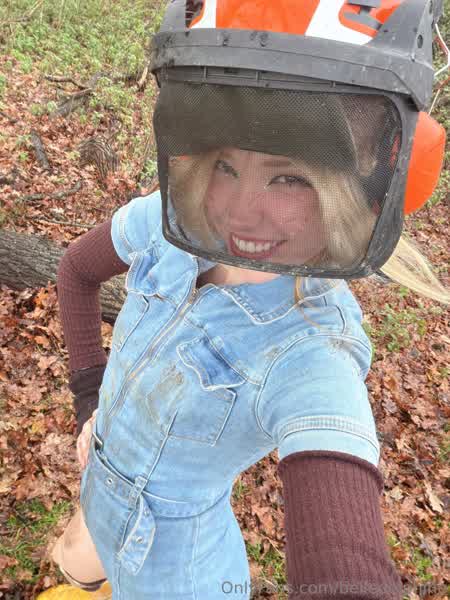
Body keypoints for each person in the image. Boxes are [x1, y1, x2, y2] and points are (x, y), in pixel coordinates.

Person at [45, 1, 448, 599]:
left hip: (178, 578)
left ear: (350, 190)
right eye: (226, 166)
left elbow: (344, 550)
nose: (240, 212)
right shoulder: (171, 222)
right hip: (98, 509)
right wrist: (89, 401)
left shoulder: (314, 351)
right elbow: (76, 271)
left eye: (288, 178)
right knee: (72, 571)